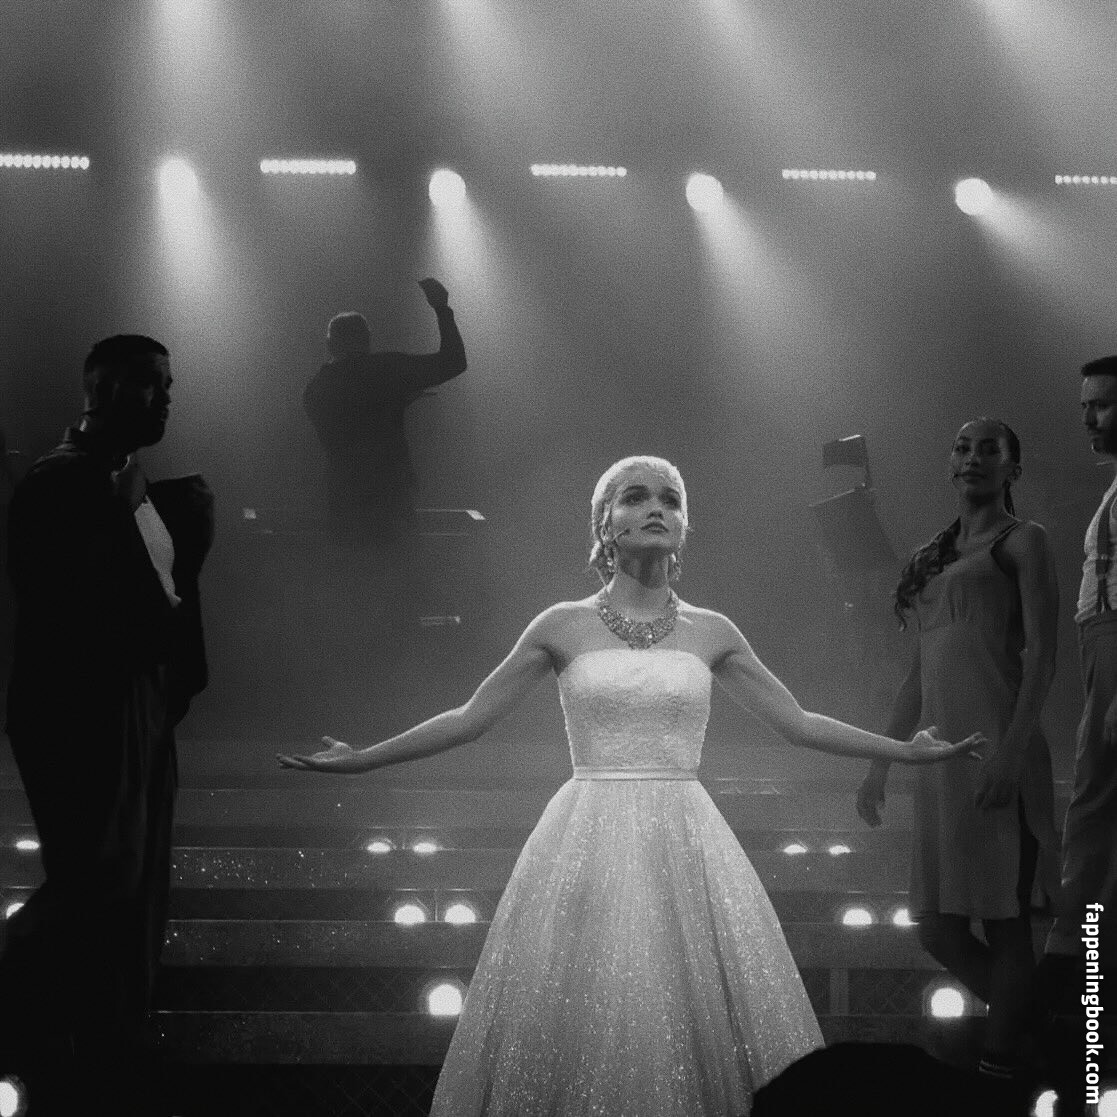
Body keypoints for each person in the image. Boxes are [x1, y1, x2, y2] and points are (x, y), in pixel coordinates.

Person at [280, 454, 985, 1117]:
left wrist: (903, 750)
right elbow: (469, 718)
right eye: (635, 497)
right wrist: (366, 758)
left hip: (685, 835)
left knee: (678, 1003)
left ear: (683, 527)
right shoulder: (562, 624)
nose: (655, 508)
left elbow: (797, 722)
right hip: (585, 832)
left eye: (669, 500)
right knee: (588, 1003)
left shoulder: (712, 631)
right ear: (604, 523)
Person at [0, 335, 214, 1115]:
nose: (166, 398)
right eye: (153, 383)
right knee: (103, 877)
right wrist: (122, 514)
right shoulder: (60, 481)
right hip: (82, 707)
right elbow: (69, 605)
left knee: (134, 886)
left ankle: (107, 1048)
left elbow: (163, 599)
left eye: (169, 383)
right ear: (108, 388)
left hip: (136, 701)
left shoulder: (128, 483)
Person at [855, 418, 1061, 1098]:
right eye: (962, 447)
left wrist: (1011, 753)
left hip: (1001, 746)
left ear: (1012, 468)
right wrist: (882, 759)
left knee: (1006, 922)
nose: (973, 457)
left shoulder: (1023, 540)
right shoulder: (930, 556)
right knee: (937, 926)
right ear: (950, 463)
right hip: (941, 760)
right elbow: (918, 673)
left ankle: (1001, 1071)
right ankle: (1035, 1025)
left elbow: (1042, 654)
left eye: (989, 449)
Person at [1035, 358, 1117, 1004]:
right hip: (1100, 640)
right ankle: (1081, 949)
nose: (1089, 418)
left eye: (1102, 404)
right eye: (1084, 405)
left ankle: (1079, 954)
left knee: (1093, 794)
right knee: (1093, 795)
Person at [303, 277, 467, 547]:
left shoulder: (316, 388)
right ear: (367, 340)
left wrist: (394, 402)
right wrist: (442, 309)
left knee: (352, 569)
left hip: (345, 502)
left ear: (330, 344)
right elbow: (454, 361)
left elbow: (346, 427)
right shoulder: (388, 369)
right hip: (392, 501)